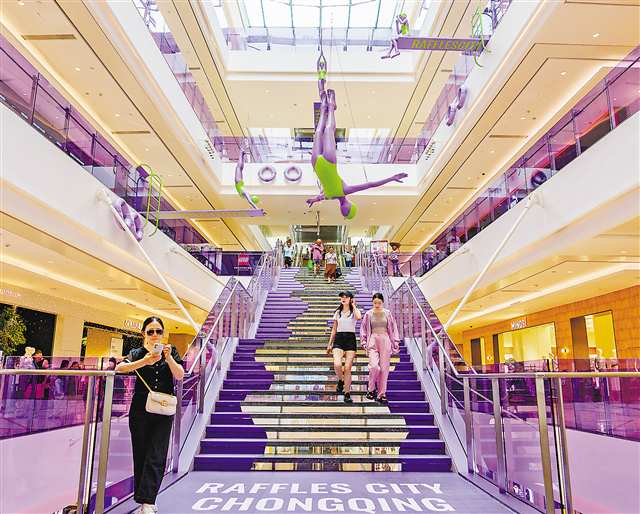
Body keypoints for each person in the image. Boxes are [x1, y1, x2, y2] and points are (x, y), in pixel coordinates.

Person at [306, 56, 408, 219]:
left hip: (317, 164)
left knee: (319, 132)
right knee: (327, 131)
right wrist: (391, 178)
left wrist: (313, 199)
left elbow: (320, 197)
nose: (343, 209)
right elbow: (370, 185)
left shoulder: (331, 196)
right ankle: (331, 107)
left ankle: (325, 105)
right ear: (350, 205)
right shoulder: (344, 191)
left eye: (344, 211)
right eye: (347, 210)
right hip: (328, 162)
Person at [115, 317, 184, 514]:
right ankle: (144, 500)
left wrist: (168, 358)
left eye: (158, 331)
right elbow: (119, 368)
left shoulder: (170, 351)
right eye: (151, 331)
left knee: (157, 453)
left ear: (164, 333)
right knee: (142, 453)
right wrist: (145, 361)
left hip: (163, 409)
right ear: (143, 334)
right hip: (140, 410)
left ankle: (148, 501)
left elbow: (179, 375)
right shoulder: (137, 353)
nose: (155, 335)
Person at [360, 293, 400, 405]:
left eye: (379, 303)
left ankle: (381, 394)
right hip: (372, 340)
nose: (377, 305)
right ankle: (371, 389)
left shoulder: (388, 313)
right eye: (375, 303)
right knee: (374, 367)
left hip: (385, 341)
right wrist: (363, 342)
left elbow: (393, 328)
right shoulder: (368, 314)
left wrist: (395, 341)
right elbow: (363, 329)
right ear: (372, 302)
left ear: (383, 302)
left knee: (384, 369)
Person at [326, 292, 361, 404]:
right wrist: (329, 344)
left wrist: (353, 305)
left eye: (346, 297)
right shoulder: (337, 312)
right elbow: (334, 329)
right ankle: (341, 380)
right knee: (337, 364)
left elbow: (359, 317)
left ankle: (347, 393)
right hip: (339, 338)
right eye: (342, 297)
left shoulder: (354, 312)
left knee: (347, 368)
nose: (343, 298)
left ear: (350, 299)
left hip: (350, 339)